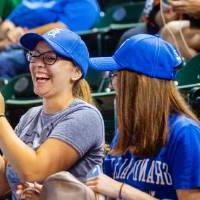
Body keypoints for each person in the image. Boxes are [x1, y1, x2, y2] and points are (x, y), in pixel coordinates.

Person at [86, 34, 200, 199]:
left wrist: (122, 190)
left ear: (136, 82)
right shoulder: (126, 131)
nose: (111, 85)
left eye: (114, 75)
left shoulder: (185, 133)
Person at [0, 28, 105, 200]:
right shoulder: (30, 116)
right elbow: (3, 184)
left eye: (50, 58)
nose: (38, 63)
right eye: (34, 55)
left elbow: (34, 171)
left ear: (76, 72)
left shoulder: (85, 116)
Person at [0, 0, 101, 78]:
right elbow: (7, 23)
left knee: (3, 61)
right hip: (17, 47)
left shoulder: (85, 3)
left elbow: (61, 29)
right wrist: (9, 32)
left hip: (54, 54)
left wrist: (21, 35)